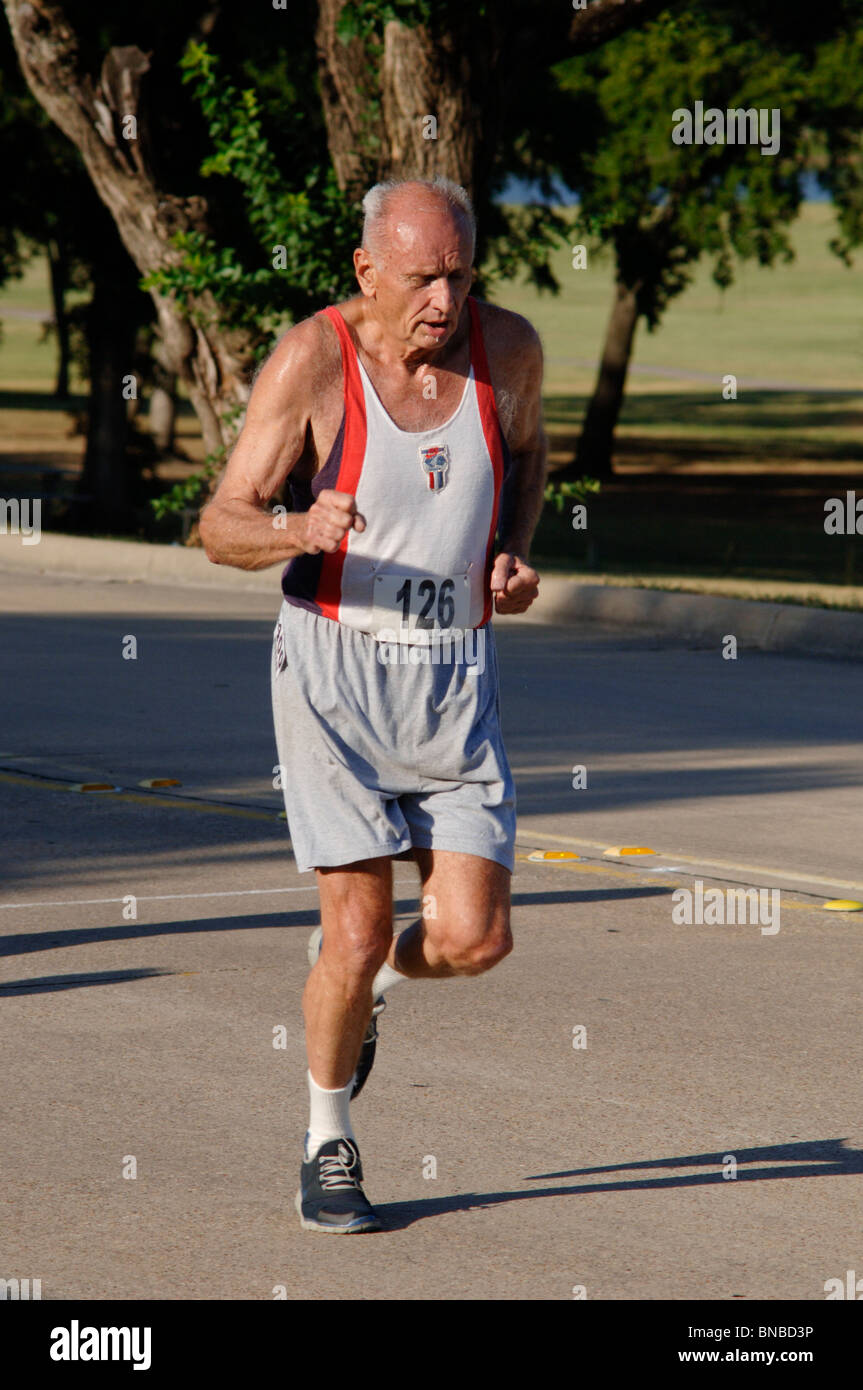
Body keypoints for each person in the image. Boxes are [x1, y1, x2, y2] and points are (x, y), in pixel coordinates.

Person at [200, 176, 547, 1233]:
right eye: (418, 279)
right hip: (333, 675)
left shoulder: (510, 352)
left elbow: (526, 456)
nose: (442, 300)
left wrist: (512, 550)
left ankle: (359, 998)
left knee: (475, 937)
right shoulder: (313, 360)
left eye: (458, 274)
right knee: (352, 930)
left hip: (453, 676)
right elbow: (221, 522)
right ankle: (327, 1135)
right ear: (365, 272)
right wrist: (293, 531)